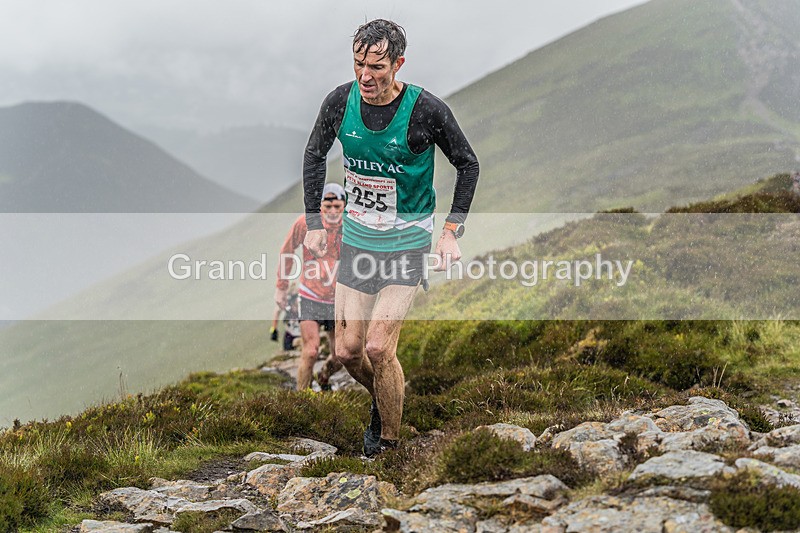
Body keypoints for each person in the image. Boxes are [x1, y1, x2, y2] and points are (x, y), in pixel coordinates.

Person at [302, 19, 479, 456]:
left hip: (407, 243)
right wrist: (312, 225)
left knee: (379, 347)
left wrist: (451, 231)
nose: (366, 75)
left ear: (398, 63)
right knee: (346, 352)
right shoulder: (340, 102)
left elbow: (468, 164)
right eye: (359, 63)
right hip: (359, 241)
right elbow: (313, 155)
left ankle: (389, 446)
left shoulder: (426, 111)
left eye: (377, 66)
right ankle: (385, 398)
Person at [275, 183, 346, 390]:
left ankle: (324, 376)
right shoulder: (306, 224)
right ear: (320, 206)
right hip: (310, 294)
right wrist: (281, 286)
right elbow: (287, 251)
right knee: (311, 350)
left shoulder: (350, 226)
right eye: (327, 205)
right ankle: (301, 401)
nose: (332, 211)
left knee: (341, 354)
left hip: (337, 298)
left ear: (344, 205)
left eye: (337, 206)